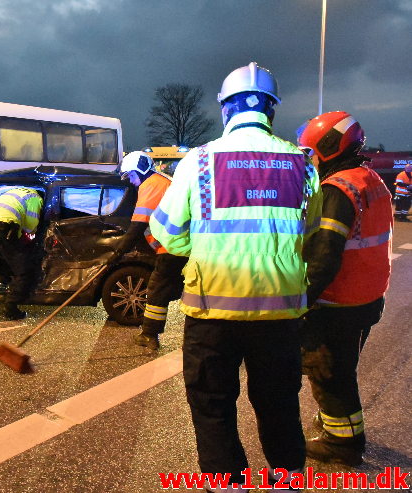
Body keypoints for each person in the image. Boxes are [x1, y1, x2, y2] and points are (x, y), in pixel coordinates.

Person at [149, 62, 322, 491]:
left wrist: (203, 246)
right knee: (280, 405)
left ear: (226, 109)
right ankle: (286, 478)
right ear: (272, 110)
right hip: (280, 317)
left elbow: (167, 233)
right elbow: (310, 233)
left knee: (213, 407)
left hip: (213, 314)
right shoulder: (303, 164)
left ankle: (228, 483)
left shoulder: (200, 161)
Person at [297, 111, 393, 466]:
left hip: (336, 301)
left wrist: (302, 302)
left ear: (328, 147)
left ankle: (343, 443)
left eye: (313, 152)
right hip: (367, 297)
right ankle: (335, 424)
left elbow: (324, 255)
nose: (311, 159)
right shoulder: (371, 180)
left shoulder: (336, 190)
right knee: (343, 366)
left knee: (330, 373)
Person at [112, 150, 187, 350]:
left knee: (157, 290)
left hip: (171, 246)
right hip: (182, 245)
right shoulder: (162, 181)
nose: (131, 181)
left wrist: (117, 253)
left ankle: (149, 335)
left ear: (141, 170)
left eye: (131, 176)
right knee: (180, 289)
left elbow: (137, 225)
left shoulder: (151, 185)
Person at [0, 187, 43, 320]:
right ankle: (10, 308)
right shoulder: (35, 198)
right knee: (24, 270)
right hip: (5, 230)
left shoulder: (14, 191)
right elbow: (30, 225)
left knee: (8, 258)